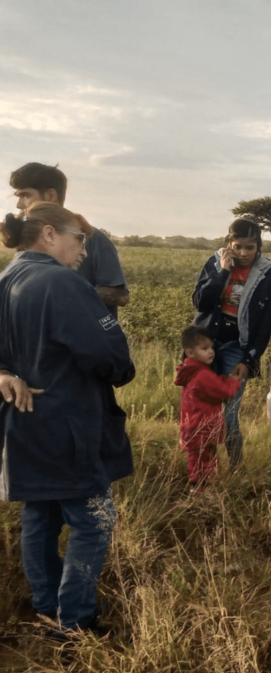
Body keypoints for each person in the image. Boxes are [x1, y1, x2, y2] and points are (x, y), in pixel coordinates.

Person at [0, 203, 135, 636]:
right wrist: (121, 367)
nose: (83, 249)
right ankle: (77, 621)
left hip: (23, 422)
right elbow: (106, 354)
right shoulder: (62, 282)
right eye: (79, 238)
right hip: (66, 421)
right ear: (49, 234)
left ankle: (46, 605)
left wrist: (4, 373)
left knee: (40, 514)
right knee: (94, 520)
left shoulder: (5, 279)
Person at [191, 218, 271, 466]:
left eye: (250, 247)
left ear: (258, 247)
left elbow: (264, 323)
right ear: (229, 244)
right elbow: (201, 302)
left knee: (228, 414)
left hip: (237, 349)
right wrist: (224, 271)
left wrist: (249, 359)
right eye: (238, 246)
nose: (243, 253)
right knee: (203, 412)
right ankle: (206, 470)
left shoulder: (267, 274)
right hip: (207, 345)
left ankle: (237, 468)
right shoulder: (215, 263)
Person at [9, 162, 129, 312]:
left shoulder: (92, 236)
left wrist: (63, 292)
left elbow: (120, 295)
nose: (19, 205)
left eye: (25, 195)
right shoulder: (26, 238)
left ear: (50, 196)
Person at [175, 325, 243, 485]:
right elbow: (224, 391)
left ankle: (197, 488)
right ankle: (201, 492)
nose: (211, 351)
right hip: (202, 428)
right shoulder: (203, 375)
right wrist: (234, 381)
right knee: (205, 463)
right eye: (204, 348)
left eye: (211, 347)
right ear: (190, 352)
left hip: (192, 426)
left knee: (196, 461)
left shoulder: (190, 371)